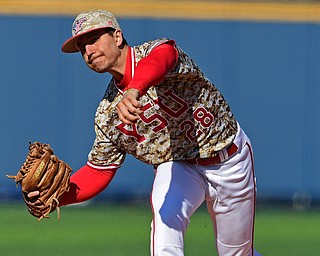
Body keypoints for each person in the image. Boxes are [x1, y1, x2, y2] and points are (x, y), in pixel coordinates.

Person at [33, 9, 261, 256]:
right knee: (164, 230)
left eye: (94, 39)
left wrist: (134, 89)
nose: (88, 51)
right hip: (178, 165)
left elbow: (165, 57)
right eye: (82, 47)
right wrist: (56, 195)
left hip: (229, 160)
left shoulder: (154, 52)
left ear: (117, 37)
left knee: (237, 254)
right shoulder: (107, 113)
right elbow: (99, 171)